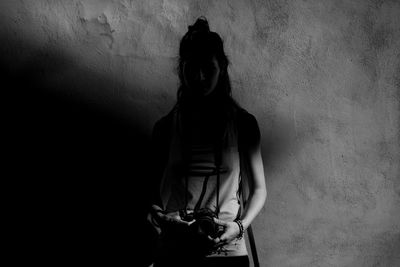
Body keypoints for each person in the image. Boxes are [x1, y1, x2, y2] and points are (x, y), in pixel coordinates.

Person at [147, 16, 267, 267]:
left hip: (227, 250)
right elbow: (150, 195)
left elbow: (259, 190)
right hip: (176, 250)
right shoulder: (165, 128)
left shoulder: (243, 125)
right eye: (192, 68)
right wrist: (163, 219)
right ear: (182, 69)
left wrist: (239, 226)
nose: (200, 77)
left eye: (208, 68)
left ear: (221, 68)